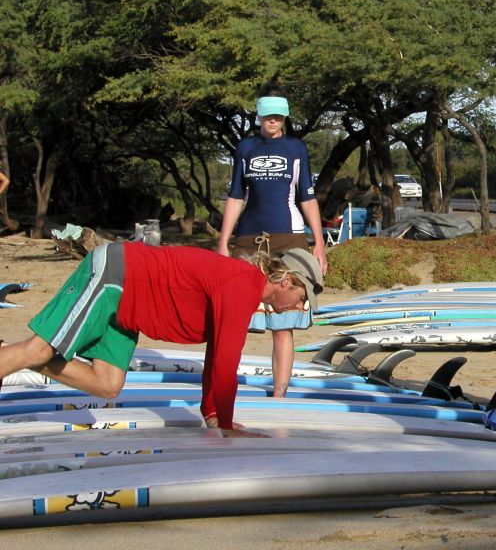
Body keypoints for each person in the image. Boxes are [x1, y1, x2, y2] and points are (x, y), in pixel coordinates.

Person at [0, 242, 324, 437]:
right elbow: (227, 363)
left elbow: (215, 356)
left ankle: (10, 355)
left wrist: (212, 415)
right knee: (38, 347)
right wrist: (226, 423)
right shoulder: (244, 285)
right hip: (117, 274)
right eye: (302, 298)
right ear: (288, 281)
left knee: (107, 383)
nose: (299, 307)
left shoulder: (246, 292)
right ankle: (18, 355)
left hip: (130, 306)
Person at [217, 94, 327, 398]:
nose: (273, 121)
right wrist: (224, 241)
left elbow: (307, 197)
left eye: (278, 116)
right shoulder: (246, 148)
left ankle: (280, 392)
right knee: (237, 315)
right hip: (249, 238)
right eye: (268, 116)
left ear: (285, 117)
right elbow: (236, 196)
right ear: (259, 118)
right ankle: (225, 386)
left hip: (289, 237)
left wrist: (318, 243)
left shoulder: (295, 148)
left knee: (283, 320)